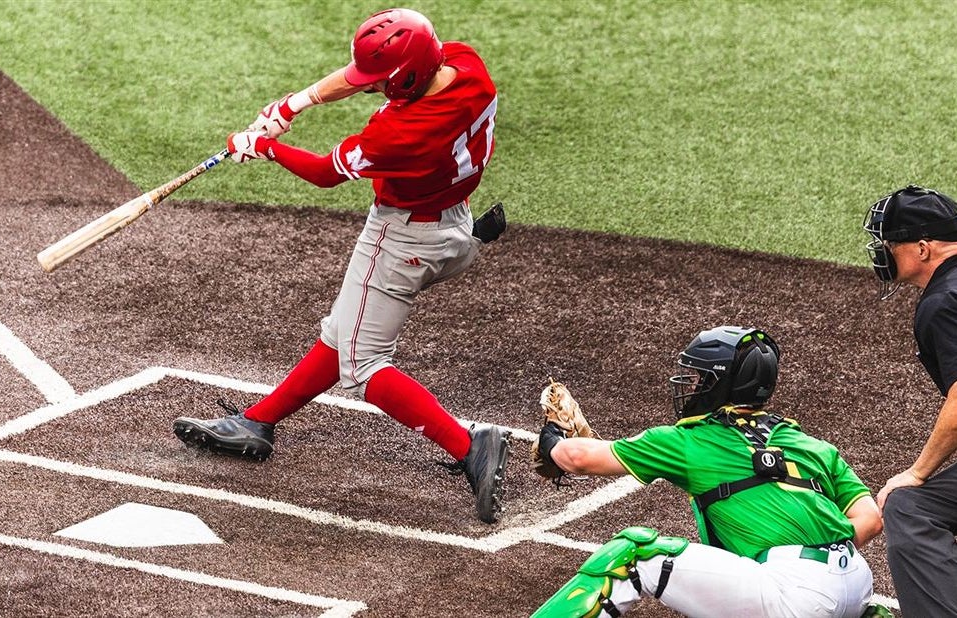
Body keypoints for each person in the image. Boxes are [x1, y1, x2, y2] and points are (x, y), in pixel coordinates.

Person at [172, 8, 511, 524]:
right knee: (346, 332)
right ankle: (257, 422)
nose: (370, 89)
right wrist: (293, 104)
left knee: (364, 365)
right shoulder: (465, 65)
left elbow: (326, 173)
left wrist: (263, 146)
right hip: (453, 226)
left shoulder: (401, 133)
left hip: (402, 241)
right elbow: (367, 78)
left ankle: (470, 446)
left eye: (381, 84)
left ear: (404, 81)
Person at [532, 326, 887, 618]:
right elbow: (870, 519)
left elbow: (577, 458)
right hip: (855, 584)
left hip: (794, 596)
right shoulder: (811, 444)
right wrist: (820, 560)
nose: (692, 385)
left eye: (700, 377)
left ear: (720, 385)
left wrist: (551, 438)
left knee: (635, 555)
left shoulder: (688, 441)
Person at [863, 185, 957, 616]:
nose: (882, 252)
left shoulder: (943, 302)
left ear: (921, 248)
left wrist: (917, 473)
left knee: (911, 506)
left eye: (890, 243)